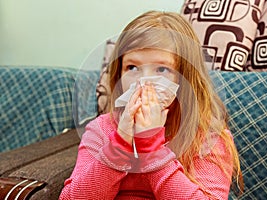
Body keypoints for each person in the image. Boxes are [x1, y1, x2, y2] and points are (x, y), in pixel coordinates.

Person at [59, 11, 243, 199]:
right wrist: (119, 144)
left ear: (185, 79)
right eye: (132, 68)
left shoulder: (207, 138)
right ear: (118, 75)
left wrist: (152, 149)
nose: (144, 82)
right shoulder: (102, 129)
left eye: (161, 69)